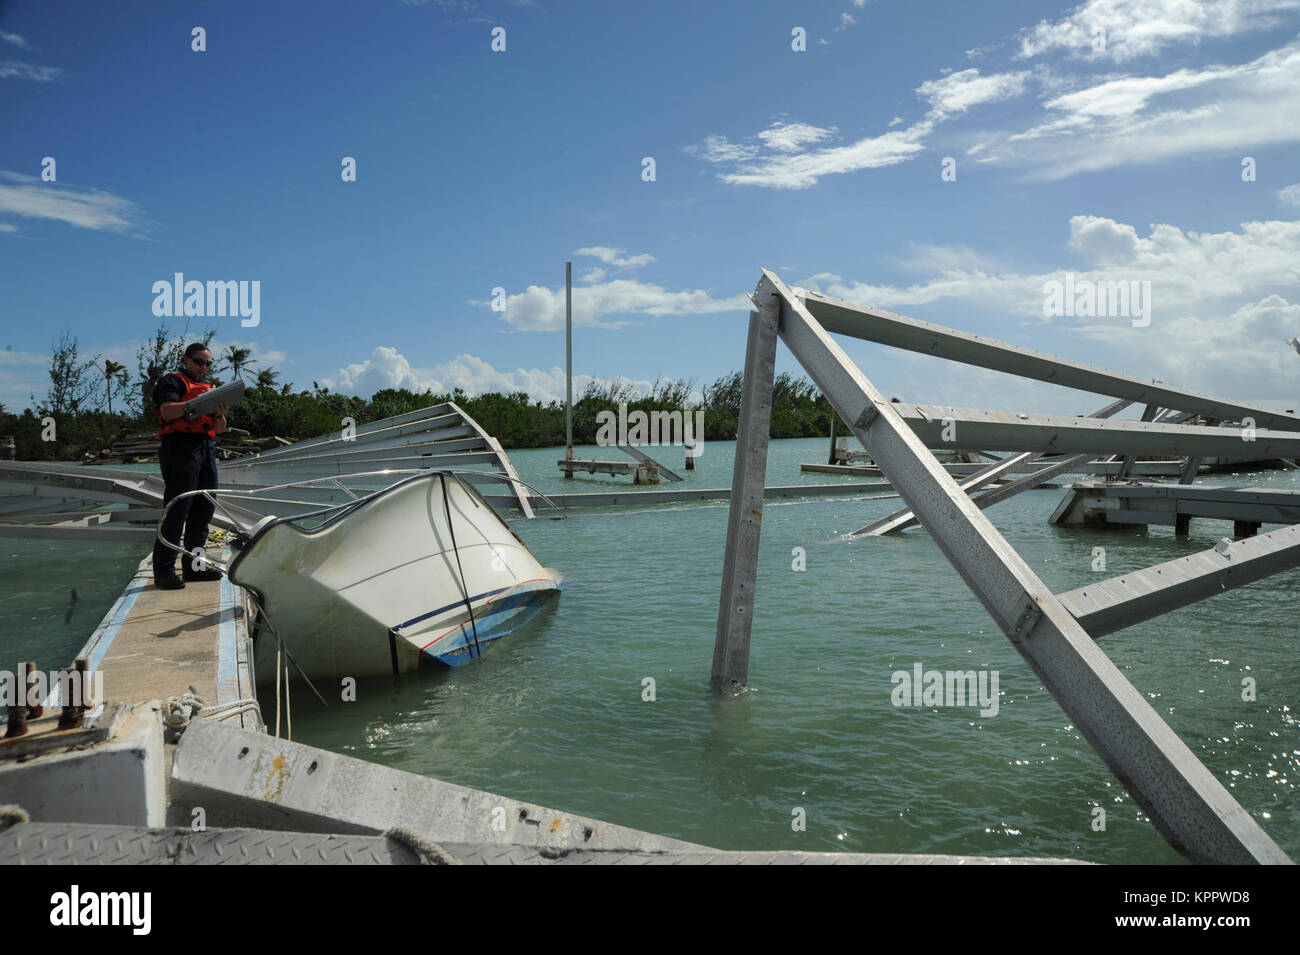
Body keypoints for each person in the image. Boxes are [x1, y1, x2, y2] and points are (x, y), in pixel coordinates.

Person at [151, 343, 229, 589]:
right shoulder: (172, 382)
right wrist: (194, 404)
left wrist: (218, 412)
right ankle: (164, 572)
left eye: (208, 363)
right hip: (180, 449)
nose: (203, 367)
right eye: (199, 362)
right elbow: (166, 411)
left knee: (203, 510)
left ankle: (195, 567)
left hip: (206, 449)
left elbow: (220, 429)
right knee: (177, 509)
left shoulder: (210, 388)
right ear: (186, 359)